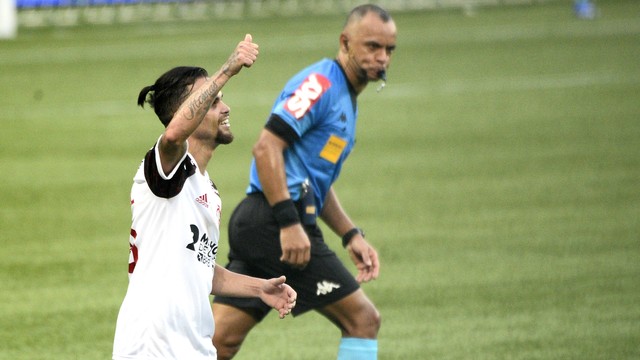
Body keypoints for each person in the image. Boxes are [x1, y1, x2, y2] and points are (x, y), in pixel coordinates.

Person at [212, 5, 397, 360]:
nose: (382, 58)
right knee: (363, 321)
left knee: (219, 341)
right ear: (345, 42)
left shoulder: (344, 95)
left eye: (389, 50)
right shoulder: (321, 84)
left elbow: (311, 181)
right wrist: (289, 223)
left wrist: (350, 233)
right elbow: (266, 148)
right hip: (275, 223)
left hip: (264, 222)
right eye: (372, 46)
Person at [112, 34, 297, 360]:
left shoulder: (206, 188)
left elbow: (200, 267)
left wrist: (259, 288)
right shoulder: (165, 169)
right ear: (188, 114)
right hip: (152, 346)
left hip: (193, 344)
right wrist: (227, 69)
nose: (225, 108)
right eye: (212, 101)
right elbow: (172, 135)